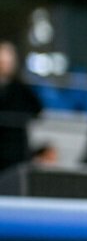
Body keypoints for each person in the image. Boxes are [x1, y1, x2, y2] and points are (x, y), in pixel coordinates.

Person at [0, 41, 43, 173]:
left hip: (15, 149)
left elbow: (37, 109)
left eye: (8, 61)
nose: (5, 65)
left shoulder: (21, 89)